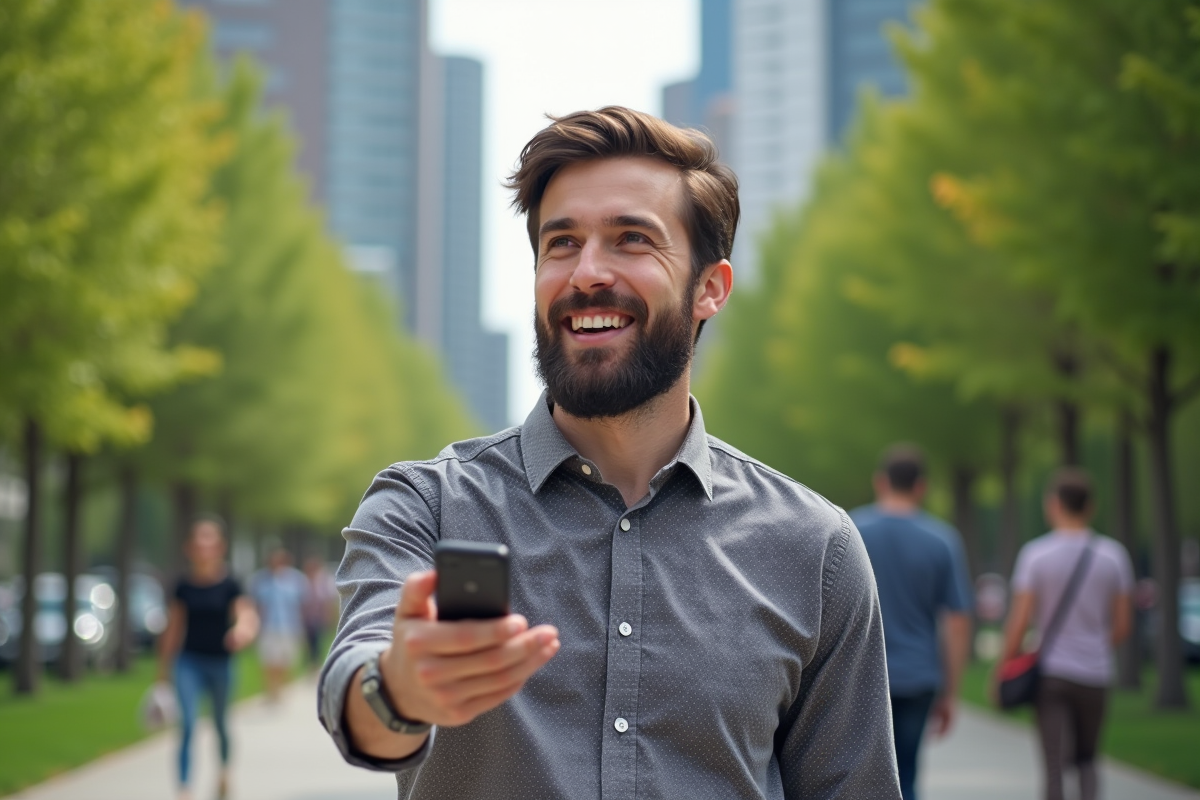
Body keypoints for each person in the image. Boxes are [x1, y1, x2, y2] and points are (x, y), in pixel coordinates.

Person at [317, 106, 900, 799]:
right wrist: (400, 693)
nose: (587, 272)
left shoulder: (817, 551)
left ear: (710, 288)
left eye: (631, 240)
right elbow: (357, 687)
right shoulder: (427, 506)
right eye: (561, 244)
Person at [999, 468, 1133, 800]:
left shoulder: (1036, 555)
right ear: (1090, 507)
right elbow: (1123, 625)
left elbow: (1019, 622)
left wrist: (1006, 663)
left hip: (1053, 673)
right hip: (1096, 673)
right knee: (1088, 759)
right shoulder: (1114, 556)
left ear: (1054, 504)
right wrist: (1096, 646)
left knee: (1054, 766)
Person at [851, 446, 972, 800]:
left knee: (857, 776)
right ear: (921, 487)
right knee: (906, 776)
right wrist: (951, 692)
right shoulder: (943, 541)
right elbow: (957, 623)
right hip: (918, 676)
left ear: (880, 482)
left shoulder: (851, 530)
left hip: (861, 675)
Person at [158, 518, 259, 800]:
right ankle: (184, 789)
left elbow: (246, 615)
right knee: (188, 724)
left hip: (221, 663)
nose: (204, 548)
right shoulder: (182, 586)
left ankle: (224, 772)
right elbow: (173, 628)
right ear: (189, 548)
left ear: (219, 548)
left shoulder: (230, 583)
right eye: (199, 542)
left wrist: (241, 631)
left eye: (209, 542)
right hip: (188, 662)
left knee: (220, 724)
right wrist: (161, 673)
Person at [251, 547, 307, 702]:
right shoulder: (260, 580)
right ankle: (271, 690)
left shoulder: (297, 579)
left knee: (285, 660)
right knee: (269, 659)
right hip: (267, 626)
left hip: (290, 626)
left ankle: (279, 686)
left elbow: (302, 605)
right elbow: (256, 605)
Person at [301, 556, 339, 668]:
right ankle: (312, 662)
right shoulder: (304, 581)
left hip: (319, 616)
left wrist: (329, 614)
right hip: (308, 617)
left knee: (319, 640)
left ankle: (318, 662)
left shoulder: (324, 581)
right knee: (310, 641)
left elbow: (328, 599)